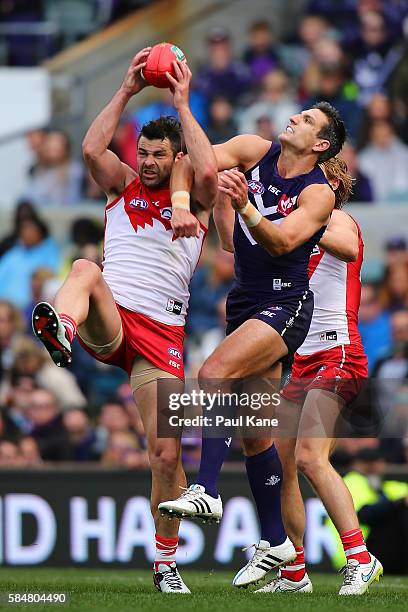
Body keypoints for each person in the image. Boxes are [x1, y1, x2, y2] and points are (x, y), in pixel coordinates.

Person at [32, 49, 218, 593]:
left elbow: (207, 168)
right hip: (111, 316)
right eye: (144, 153)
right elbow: (92, 148)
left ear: (175, 155)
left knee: (164, 454)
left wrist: (182, 103)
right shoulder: (123, 187)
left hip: (162, 337)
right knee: (87, 266)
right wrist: (125, 90)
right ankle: (61, 327)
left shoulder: (197, 201)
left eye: (159, 155)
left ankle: (165, 563)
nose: (149, 162)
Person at [159, 102, 346, 573]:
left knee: (213, 372)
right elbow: (190, 162)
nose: (294, 119)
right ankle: (279, 545)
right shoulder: (251, 150)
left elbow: (283, 242)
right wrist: (182, 106)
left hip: (286, 304)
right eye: (298, 114)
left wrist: (242, 202)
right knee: (255, 436)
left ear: (321, 145)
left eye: (306, 120)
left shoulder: (319, 194)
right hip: (245, 300)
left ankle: (205, 490)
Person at [252, 157, 382, 596]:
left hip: (339, 352)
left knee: (310, 457)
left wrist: (302, 218)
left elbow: (345, 246)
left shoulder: (339, 219)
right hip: (304, 360)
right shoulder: (296, 234)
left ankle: (360, 558)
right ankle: (295, 572)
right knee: (284, 462)